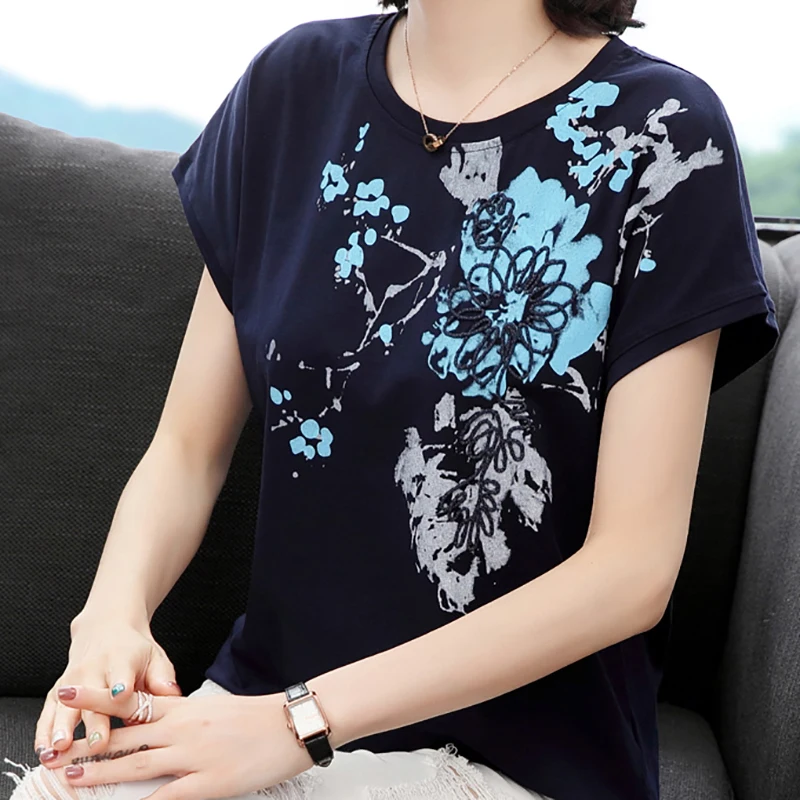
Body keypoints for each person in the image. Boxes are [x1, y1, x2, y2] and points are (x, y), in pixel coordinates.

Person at [6, 1, 780, 799]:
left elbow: (631, 570)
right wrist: (112, 615)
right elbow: (186, 451)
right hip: (255, 715)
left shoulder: (663, 133)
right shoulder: (292, 85)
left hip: (516, 764)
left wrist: (300, 723)